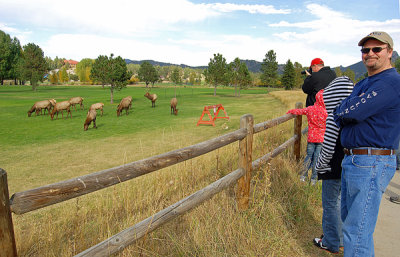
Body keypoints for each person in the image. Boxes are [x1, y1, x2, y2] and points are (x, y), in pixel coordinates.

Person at [333, 31, 400, 256]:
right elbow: (342, 110)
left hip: (371, 161)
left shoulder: (390, 83)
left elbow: (350, 112)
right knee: (352, 223)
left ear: (389, 52)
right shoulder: (366, 83)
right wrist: (345, 109)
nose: (369, 53)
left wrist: (345, 109)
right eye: (365, 50)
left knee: (357, 230)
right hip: (356, 159)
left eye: (376, 49)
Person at [313, 76, 354, 253]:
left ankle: (330, 241)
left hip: (331, 168)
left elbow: (328, 148)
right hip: (347, 167)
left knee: (330, 204)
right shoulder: (352, 116)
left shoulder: (333, 118)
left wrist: (318, 167)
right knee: (341, 203)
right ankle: (341, 238)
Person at [287, 90, 327, 185]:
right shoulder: (326, 112)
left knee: (308, 157)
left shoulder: (310, 109)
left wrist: (291, 111)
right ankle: (313, 179)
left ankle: (303, 176)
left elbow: (300, 111)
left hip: (311, 138)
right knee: (317, 158)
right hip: (321, 139)